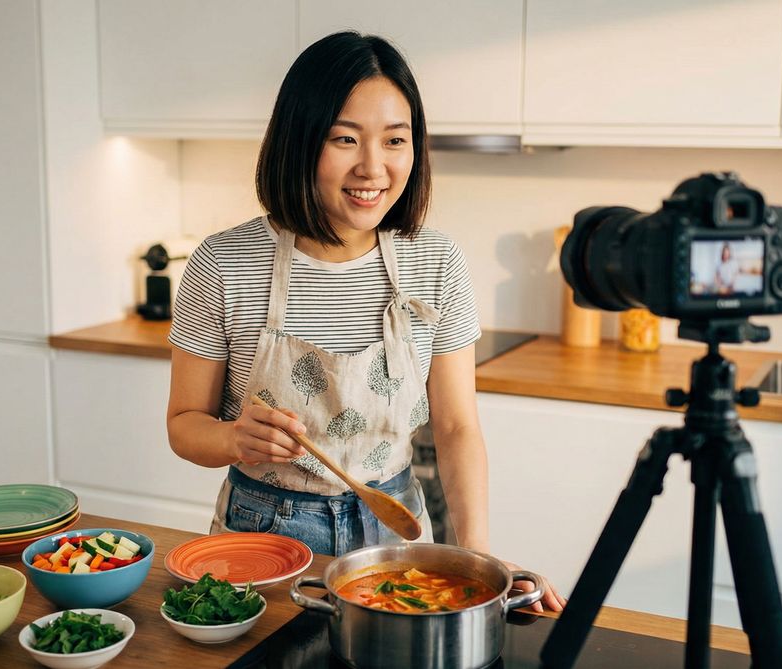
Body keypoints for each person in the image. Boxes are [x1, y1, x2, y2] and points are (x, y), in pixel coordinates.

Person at [166, 32, 563, 611]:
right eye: (344, 139)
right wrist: (232, 438)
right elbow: (183, 425)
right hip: (260, 539)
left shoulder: (435, 261)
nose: (373, 168)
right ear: (300, 141)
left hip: (395, 537)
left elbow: (456, 429)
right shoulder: (225, 263)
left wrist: (476, 553)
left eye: (395, 141)